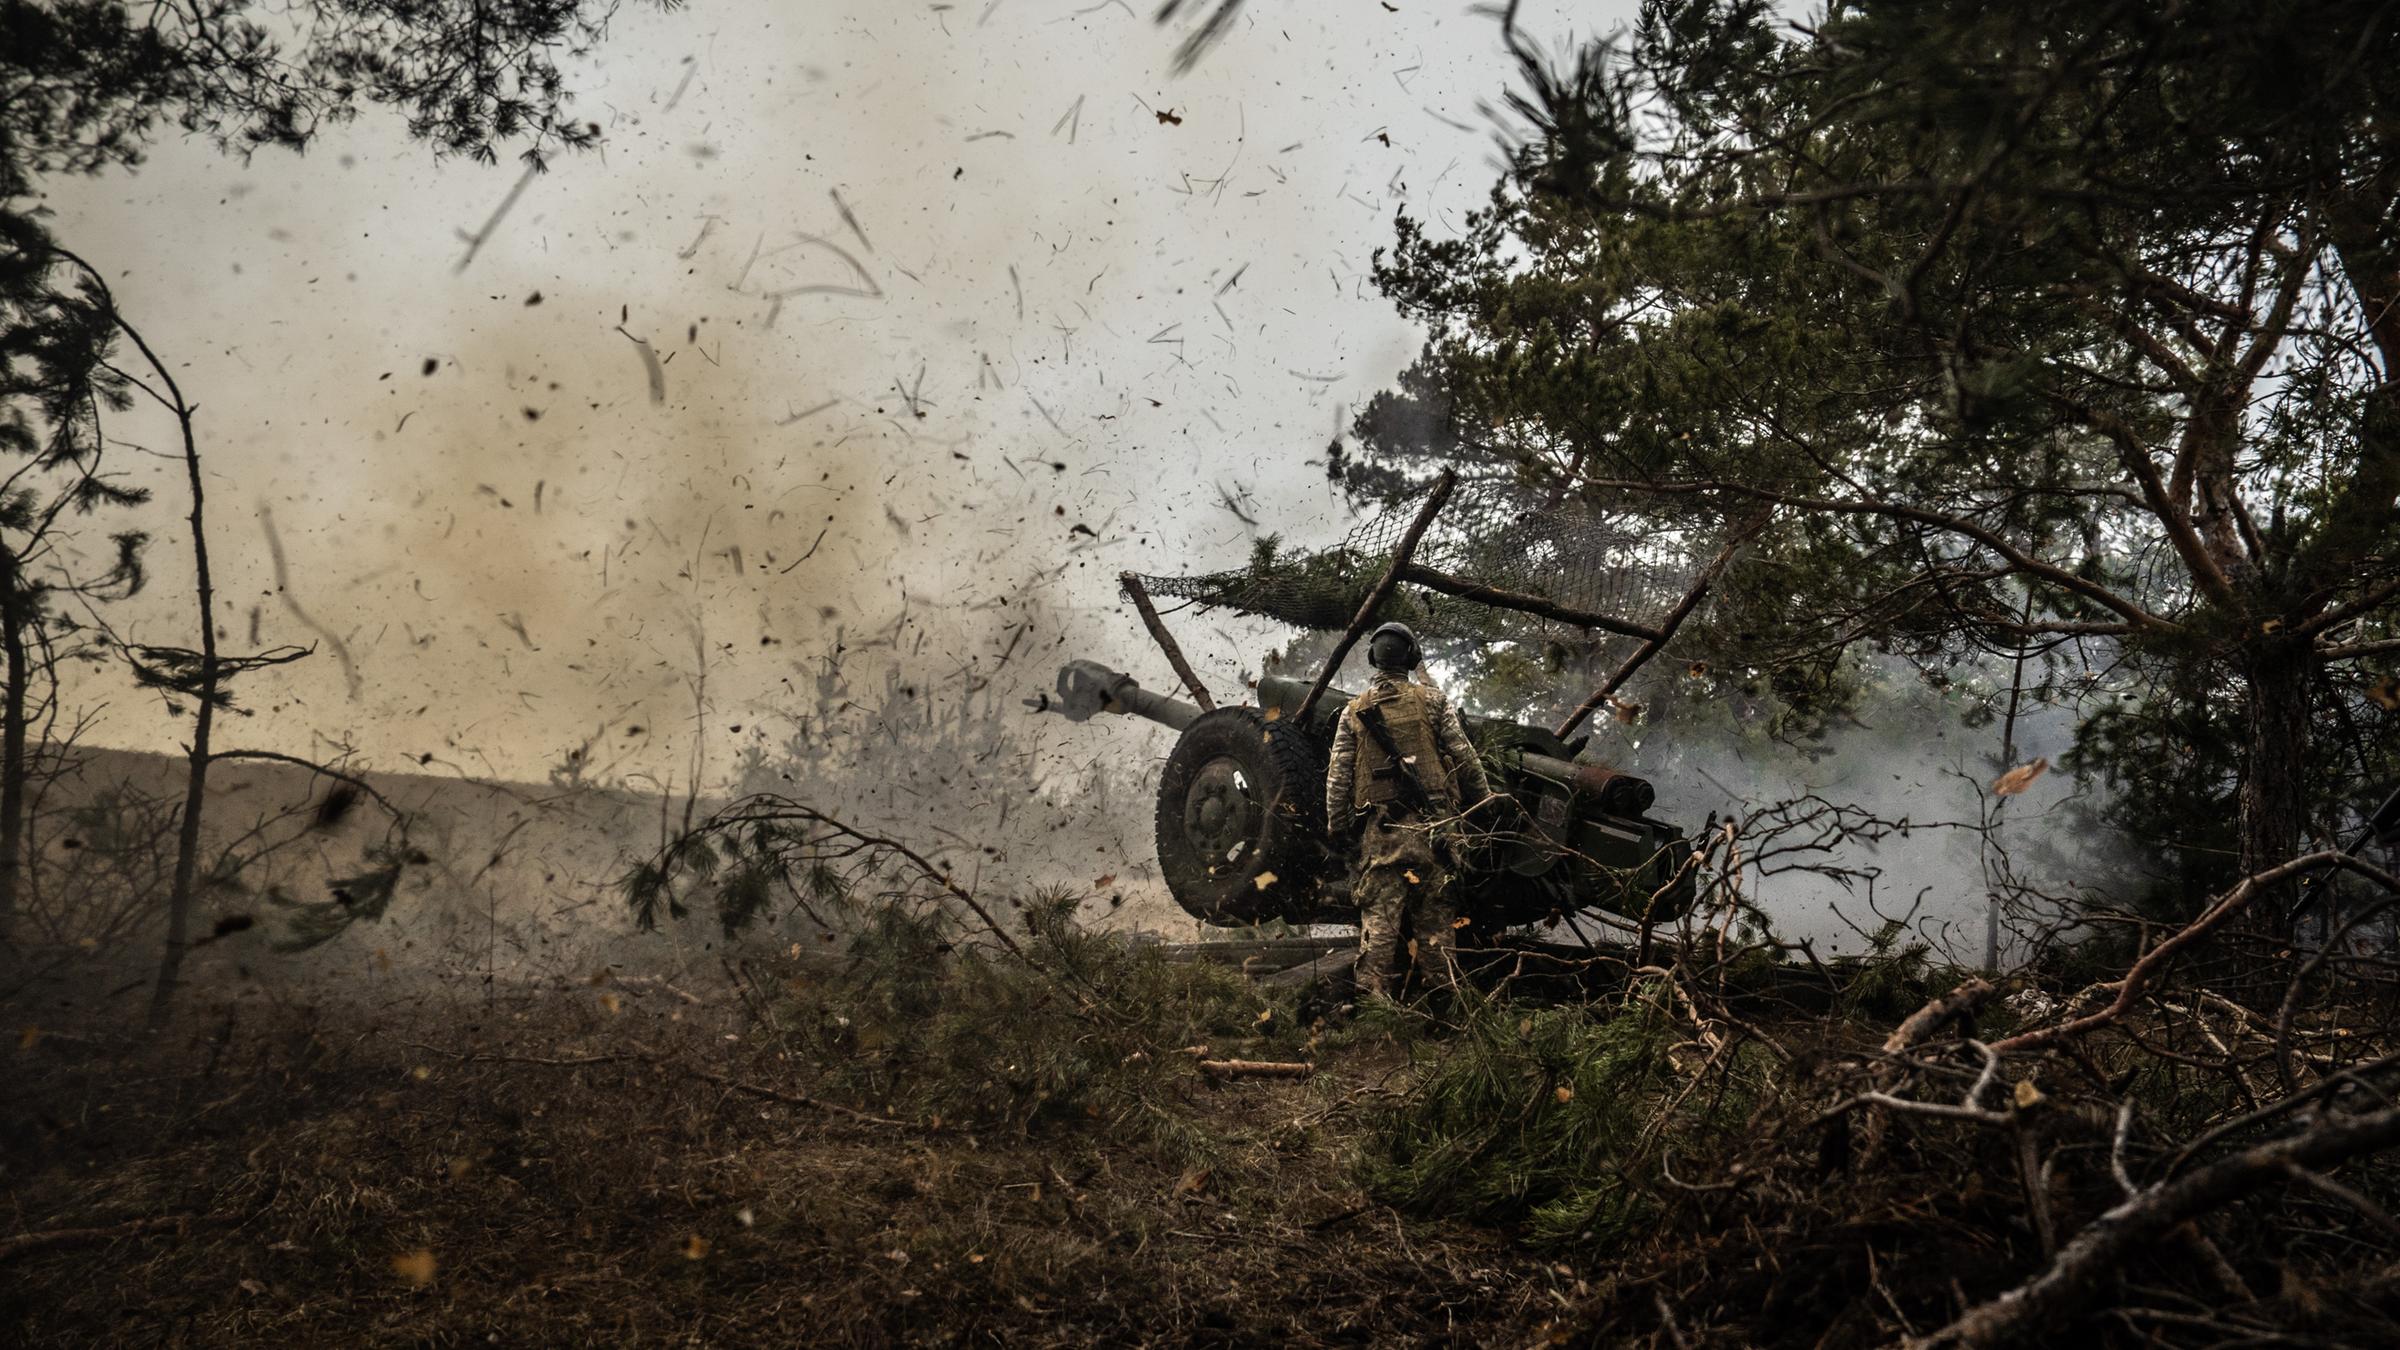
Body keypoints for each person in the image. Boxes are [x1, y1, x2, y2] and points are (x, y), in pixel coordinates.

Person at [1323, 622, 1493, 1001]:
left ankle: (1374, 1005)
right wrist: (1484, 804)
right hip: (1435, 833)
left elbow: (1337, 780)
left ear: (1373, 659)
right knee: (1435, 926)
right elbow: (1465, 759)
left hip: (1382, 837)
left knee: (1380, 926)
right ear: (1412, 657)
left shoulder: (1354, 711)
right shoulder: (1433, 701)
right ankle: (1445, 1007)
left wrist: (1339, 829)